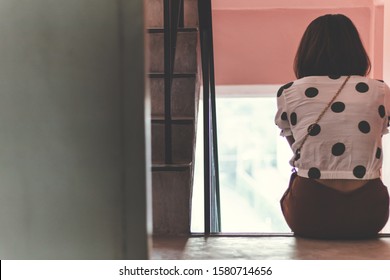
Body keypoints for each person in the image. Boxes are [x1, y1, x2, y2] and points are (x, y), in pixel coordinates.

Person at [275, 14, 390, 239]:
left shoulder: (288, 92)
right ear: (356, 50)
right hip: (369, 213)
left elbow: (298, 147)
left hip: (309, 211)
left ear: (306, 50)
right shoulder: (380, 91)